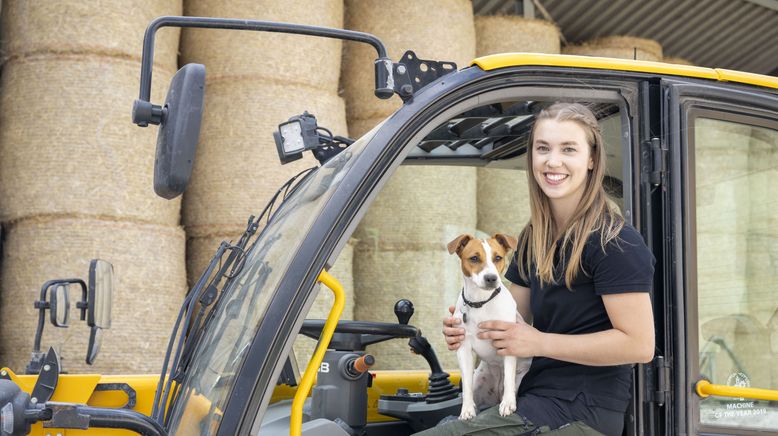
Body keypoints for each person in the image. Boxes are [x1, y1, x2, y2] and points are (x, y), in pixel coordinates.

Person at [416, 102, 655, 436]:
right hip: (532, 395)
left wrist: (539, 343)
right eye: (543, 148)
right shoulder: (534, 237)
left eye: (568, 149)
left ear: (591, 160)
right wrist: (470, 325)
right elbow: (511, 319)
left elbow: (638, 345)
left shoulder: (615, 242)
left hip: (581, 411)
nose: (552, 161)